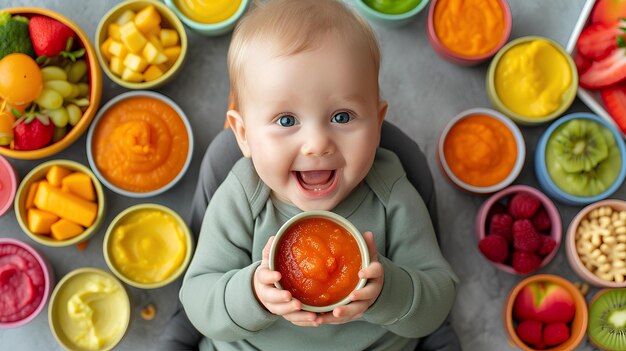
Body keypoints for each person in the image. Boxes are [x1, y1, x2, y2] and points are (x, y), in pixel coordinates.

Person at [178, 1, 459, 350]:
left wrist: (389, 291)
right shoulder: (243, 195)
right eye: (286, 120)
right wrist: (250, 294)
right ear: (244, 135)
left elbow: (438, 301)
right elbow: (196, 301)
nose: (317, 144)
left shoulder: (391, 192)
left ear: (377, 121)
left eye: (342, 117)